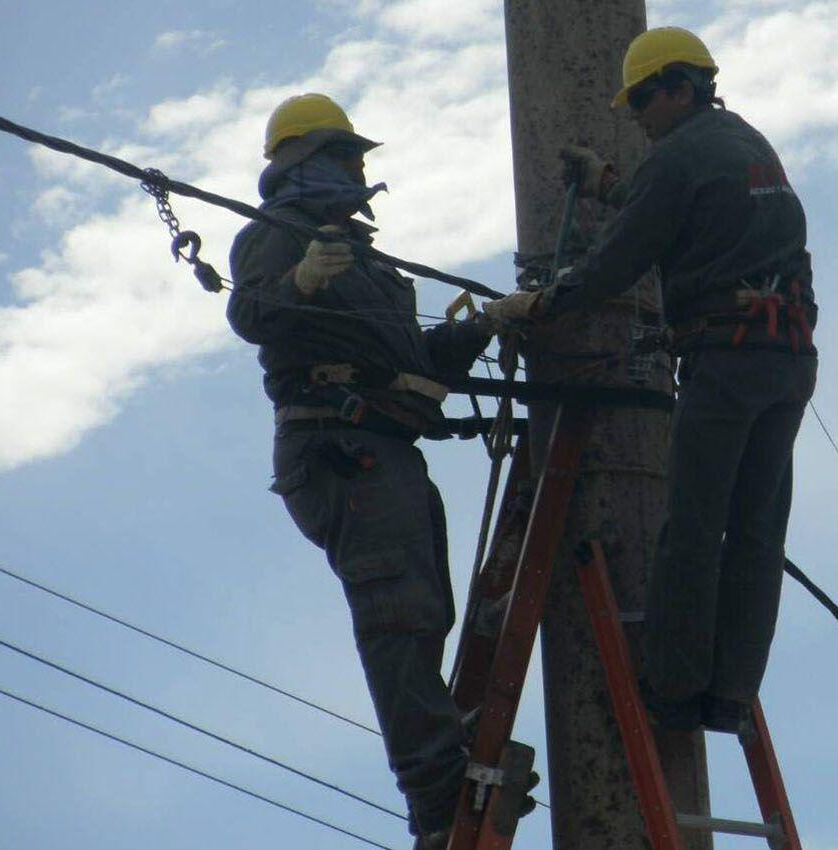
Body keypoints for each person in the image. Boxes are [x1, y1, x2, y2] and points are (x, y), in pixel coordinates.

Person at [484, 27, 819, 732]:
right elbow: (685, 209)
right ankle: (729, 695)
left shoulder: (677, 158)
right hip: (786, 361)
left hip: (724, 365)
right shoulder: (747, 143)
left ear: (677, 87)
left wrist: (544, 302)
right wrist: (611, 186)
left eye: (640, 99)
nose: (635, 115)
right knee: (757, 533)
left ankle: (672, 687)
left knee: (694, 528)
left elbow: (618, 261)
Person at [226, 93, 493, 847]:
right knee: (399, 617)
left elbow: (410, 366)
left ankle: (441, 765)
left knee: (424, 612)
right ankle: (439, 798)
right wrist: (301, 280)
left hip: (383, 450)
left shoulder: (364, 260)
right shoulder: (280, 235)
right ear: (305, 158)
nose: (361, 167)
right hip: (338, 452)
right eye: (348, 154)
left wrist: (483, 331)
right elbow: (251, 314)